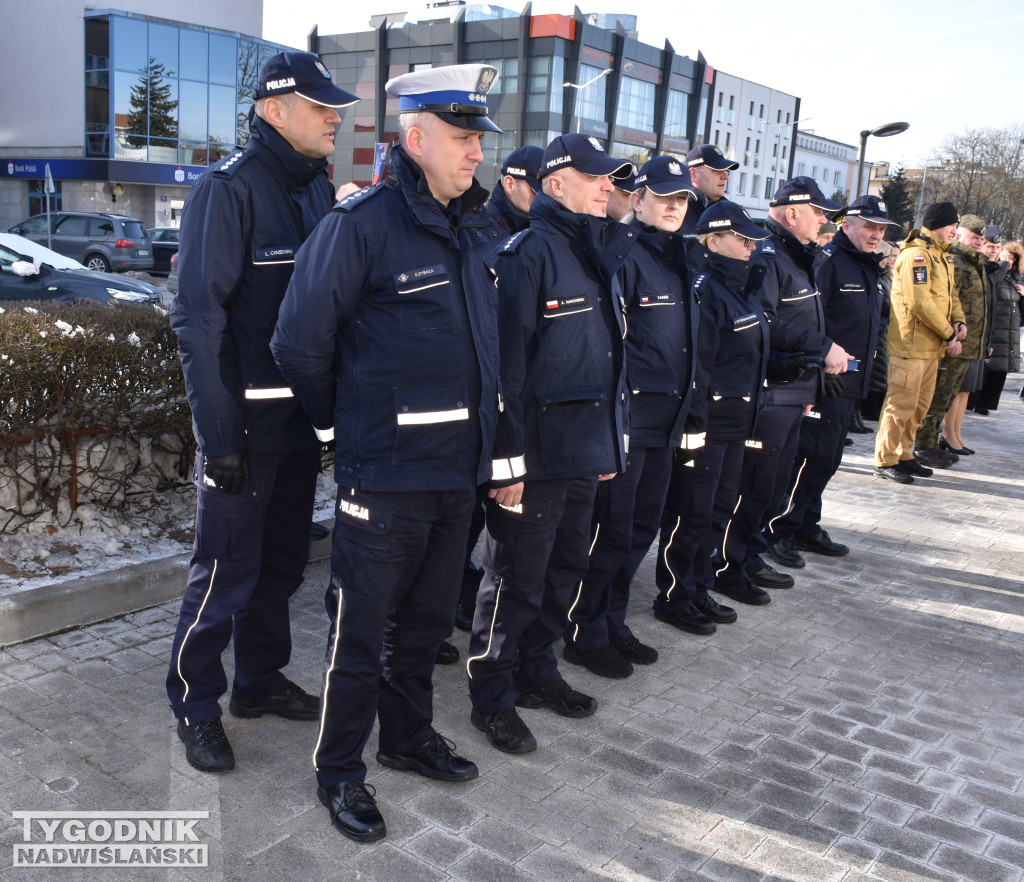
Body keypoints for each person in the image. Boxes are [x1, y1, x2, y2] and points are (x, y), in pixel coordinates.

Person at [271, 63, 502, 843]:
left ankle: (407, 740)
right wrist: (348, 429)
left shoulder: (472, 228)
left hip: (454, 473)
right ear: (417, 138)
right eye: (464, 139)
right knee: (360, 635)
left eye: (479, 140)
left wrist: (497, 461)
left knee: (428, 622)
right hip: (385, 476)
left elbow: (488, 355)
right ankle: (339, 771)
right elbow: (299, 344)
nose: (477, 154)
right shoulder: (361, 225)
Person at [165, 51, 359, 775]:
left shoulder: (316, 192)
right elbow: (198, 320)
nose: (334, 117)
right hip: (243, 431)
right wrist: (218, 438)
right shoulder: (230, 191)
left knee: (280, 569)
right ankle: (195, 704)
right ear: (275, 110)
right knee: (223, 575)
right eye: (321, 107)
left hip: (298, 427)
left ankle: (259, 681)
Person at [466, 133, 634, 754]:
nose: (608, 187)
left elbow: (611, 360)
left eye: (611, 178)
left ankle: (538, 673)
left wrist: (610, 446)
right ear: (556, 184)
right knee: (515, 579)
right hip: (532, 457)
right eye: (596, 178)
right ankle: (493, 695)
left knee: (564, 568)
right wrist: (504, 463)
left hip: (583, 449)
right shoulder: (527, 254)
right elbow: (503, 370)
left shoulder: (599, 251)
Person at [563, 155, 699, 678]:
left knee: (640, 531)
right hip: (629, 421)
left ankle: (612, 620)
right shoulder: (623, 255)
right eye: (663, 197)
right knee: (611, 533)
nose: (674, 207)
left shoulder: (679, 258)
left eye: (682, 198)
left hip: (664, 421)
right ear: (636, 199)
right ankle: (586, 629)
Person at [714, 178, 849, 598]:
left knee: (771, 489)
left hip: (793, 391)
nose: (825, 221)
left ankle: (748, 556)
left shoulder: (796, 257)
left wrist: (810, 387)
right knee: (751, 488)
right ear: (793, 214)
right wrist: (820, 346)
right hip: (771, 392)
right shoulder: (768, 257)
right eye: (819, 212)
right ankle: (726, 566)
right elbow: (765, 321)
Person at [652, 200, 771, 634]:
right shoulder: (706, 289)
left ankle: (698, 587)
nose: (750, 248)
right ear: (713, 240)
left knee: (718, 510)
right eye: (742, 239)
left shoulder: (742, 289)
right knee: (691, 513)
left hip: (737, 421)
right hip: (709, 424)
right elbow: (698, 367)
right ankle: (675, 595)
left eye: (753, 241)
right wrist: (695, 427)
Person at [770, 196, 905, 547]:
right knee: (809, 458)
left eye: (881, 230)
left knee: (828, 459)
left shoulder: (868, 266)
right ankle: (781, 529)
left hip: (852, 381)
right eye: (869, 227)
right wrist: (821, 372)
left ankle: (805, 525)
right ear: (847, 225)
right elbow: (812, 320)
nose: (876, 235)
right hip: (827, 380)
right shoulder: (830, 263)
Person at [453, 145, 544, 634]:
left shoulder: (540, 235)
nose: (544, 195)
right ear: (510, 183)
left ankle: (461, 597)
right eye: (536, 185)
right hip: (484, 400)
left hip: (517, 402)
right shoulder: (481, 231)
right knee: (464, 519)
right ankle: (446, 603)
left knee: (491, 521)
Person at [874, 201, 962, 484]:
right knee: (901, 404)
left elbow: (952, 296)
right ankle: (885, 459)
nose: (955, 232)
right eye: (953, 226)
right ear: (939, 224)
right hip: (911, 345)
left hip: (931, 347)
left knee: (919, 406)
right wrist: (949, 332)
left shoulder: (942, 256)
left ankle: (904, 454)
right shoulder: (917, 256)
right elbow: (919, 300)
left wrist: (958, 321)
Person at [915, 214, 988, 465]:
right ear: (959, 235)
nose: (978, 242)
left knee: (947, 397)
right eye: (974, 237)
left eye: (981, 239)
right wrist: (949, 335)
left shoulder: (972, 262)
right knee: (938, 396)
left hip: (967, 341)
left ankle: (934, 441)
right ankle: (924, 443)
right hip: (952, 342)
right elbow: (945, 302)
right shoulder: (956, 261)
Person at [974, 241, 1023, 413]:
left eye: (1013, 259)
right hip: (995, 326)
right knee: (988, 366)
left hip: (1010, 329)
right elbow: (991, 285)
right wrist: (1002, 265)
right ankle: (975, 401)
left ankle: (985, 403)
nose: (1010, 262)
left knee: (1001, 368)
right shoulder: (995, 271)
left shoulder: (1017, 278)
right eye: (1007, 257)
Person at [679, 144, 739, 239]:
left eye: (725, 170)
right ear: (693, 174)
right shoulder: (676, 212)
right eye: (717, 170)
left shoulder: (731, 212)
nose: (726, 176)